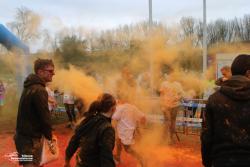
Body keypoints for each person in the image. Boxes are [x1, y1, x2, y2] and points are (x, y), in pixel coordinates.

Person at [201, 54, 250, 167]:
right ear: (248, 73)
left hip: (221, 160)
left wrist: (207, 162)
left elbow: (206, 135)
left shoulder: (214, 99)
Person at [14, 58, 55, 167]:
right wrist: (49, 136)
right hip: (30, 141)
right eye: (50, 71)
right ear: (40, 72)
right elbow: (44, 116)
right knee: (31, 164)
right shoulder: (40, 90)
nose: (53, 74)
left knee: (30, 163)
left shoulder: (29, 86)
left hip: (22, 138)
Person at [64, 93, 117, 167]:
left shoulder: (88, 119)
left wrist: (67, 161)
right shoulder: (107, 129)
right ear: (113, 109)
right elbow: (106, 157)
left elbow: (74, 141)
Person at [112, 99, 146, 167]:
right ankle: (118, 157)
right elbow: (143, 117)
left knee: (128, 149)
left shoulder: (121, 107)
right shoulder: (133, 107)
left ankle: (141, 159)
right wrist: (141, 125)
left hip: (125, 132)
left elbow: (114, 117)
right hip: (128, 131)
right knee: (118, 142)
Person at [159, 80, 184, 144]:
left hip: (175, 105)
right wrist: (162, 105)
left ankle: (170, 138)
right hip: (166, 105)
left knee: (172, 121)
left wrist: (177, 98)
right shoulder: (164, 83)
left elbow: (181, 94)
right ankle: (164, 138)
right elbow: (161, 95)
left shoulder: (178, 84)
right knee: (167, 121)